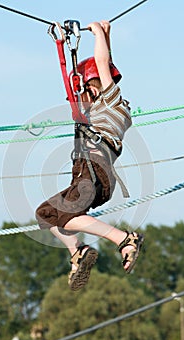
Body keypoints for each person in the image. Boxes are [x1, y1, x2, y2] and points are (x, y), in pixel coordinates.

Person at [36, 20, 144, 291]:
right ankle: (78, 252)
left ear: (93, 88)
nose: (80, 96)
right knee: (46, 214)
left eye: (83, 90)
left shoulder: (109, 101)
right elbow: (105, 62)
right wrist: (107, 34)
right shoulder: (113, 106)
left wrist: (96, 32)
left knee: (69, 217)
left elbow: (102, 63)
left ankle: (124, 239)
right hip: (94, 174)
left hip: (93, 169)